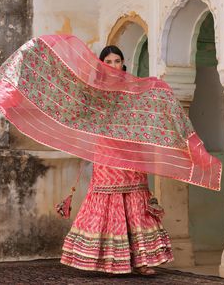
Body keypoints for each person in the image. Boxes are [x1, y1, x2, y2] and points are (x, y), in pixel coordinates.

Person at [60, 45, 174, 275]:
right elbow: (87, 116)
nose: (113, 65)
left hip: (131, 150)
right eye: (108, 61)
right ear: (102, 65)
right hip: (107, 151)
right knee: (108, 199)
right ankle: (111, 261)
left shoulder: (133, 88)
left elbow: (141, 119)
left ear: (123, 63)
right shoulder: (95, 90)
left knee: (135, 200)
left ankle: (142, 262)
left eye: (117, 60)